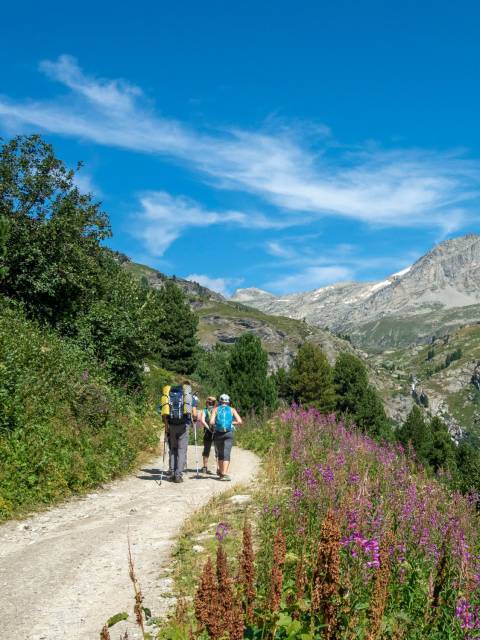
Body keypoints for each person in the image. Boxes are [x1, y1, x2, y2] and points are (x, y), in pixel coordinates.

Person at [162, 381, 197, 483]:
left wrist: (166, 427)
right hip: (183, 426)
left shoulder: (168, 396)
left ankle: (172, 472)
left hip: (172, 425)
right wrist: (194, 419)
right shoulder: (188, 396)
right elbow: (194, 413)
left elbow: (164, 414)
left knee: (173, 449)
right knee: (181, 450)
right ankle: (178, 475)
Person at [209, 393, 242, 481]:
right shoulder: (232, 409)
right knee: (226, 453)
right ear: (228, 402)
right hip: (228, 433)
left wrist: (217, 424)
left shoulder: (215, 409)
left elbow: (211, 422)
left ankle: (220, 472)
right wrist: (231, 423)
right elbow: (239, 421)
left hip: (218, 433)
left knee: (220, 453)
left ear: (220, 401)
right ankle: (224, 473)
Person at [198, 396, 217, 474]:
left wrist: (208, 428)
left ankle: (205, 467)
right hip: (217, 431)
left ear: (207, 403)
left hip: (207, 432)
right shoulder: (217, 410)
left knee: (206, 449)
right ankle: (219, 468)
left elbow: (202, 420)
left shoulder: (205, 410)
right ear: (214, 403)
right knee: (218, 450)